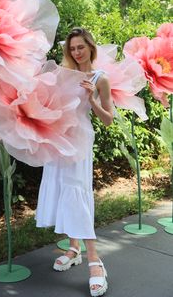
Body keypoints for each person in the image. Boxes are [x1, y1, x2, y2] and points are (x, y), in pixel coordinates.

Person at [36, 27, 113, 297]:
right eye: (72, 48)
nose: (76, 52)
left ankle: (95, 261)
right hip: (59, 136)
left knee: (76, 191)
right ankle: (74, 248)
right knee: (62, 188)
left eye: (81, 47)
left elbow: (108, 119)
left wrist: (92, 99)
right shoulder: (63, 74)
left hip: (80, 139)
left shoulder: (101, 78)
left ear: (91, 47)